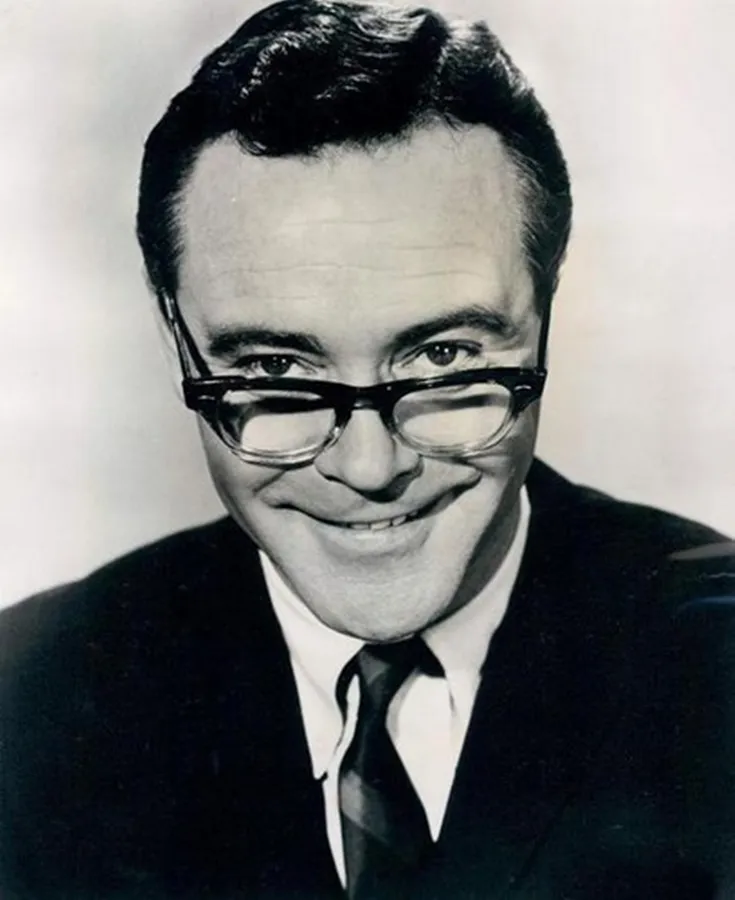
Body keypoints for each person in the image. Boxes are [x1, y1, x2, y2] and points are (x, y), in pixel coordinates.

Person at [1, 1, 734, 897]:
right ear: (175, 341)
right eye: (275, 368)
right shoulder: (27, 701)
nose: (368, 469)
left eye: (443, 357)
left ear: (543, 316)